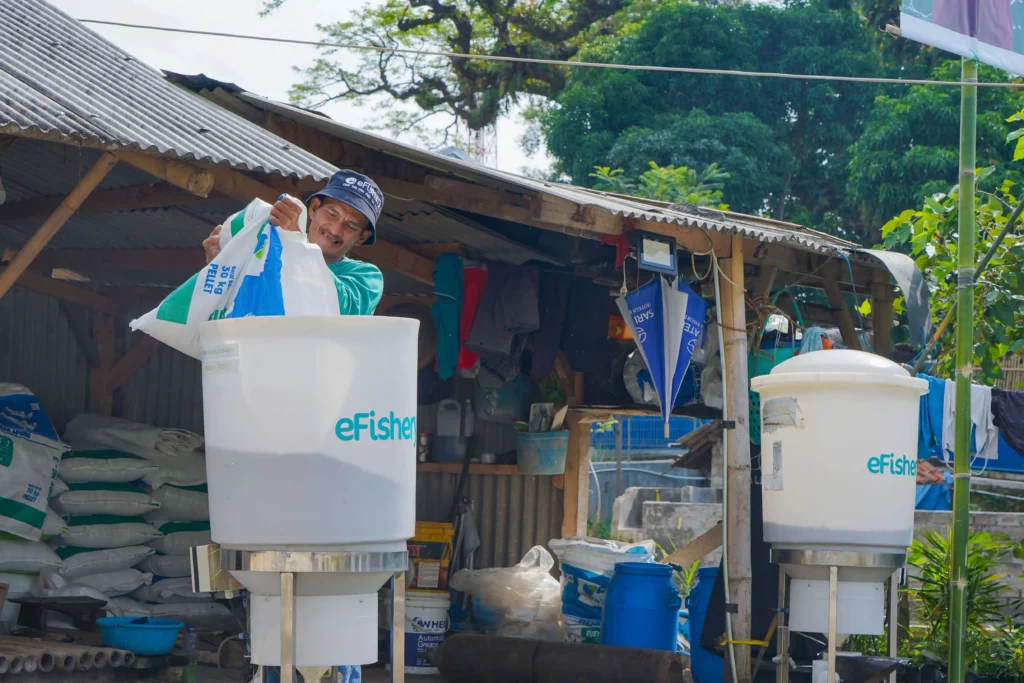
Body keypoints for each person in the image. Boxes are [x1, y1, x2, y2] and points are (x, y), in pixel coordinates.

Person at [202, 169, 385, 315]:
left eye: (351, 225)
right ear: (313, 208)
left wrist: (296, 244)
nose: (335, 230)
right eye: (332, 214)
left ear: (362, 237)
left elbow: (339, 307)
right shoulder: (263, 256)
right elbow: (227, 310)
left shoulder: (366, 277)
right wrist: (219, 266)